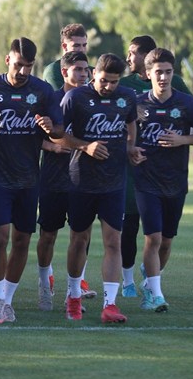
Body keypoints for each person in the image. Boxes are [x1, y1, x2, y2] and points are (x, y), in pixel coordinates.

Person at [0, 38, 63, 324]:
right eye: (19, 65)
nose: (23, 71)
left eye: (28, 66)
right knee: (0, 238)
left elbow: (59, 130)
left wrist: (50, 127)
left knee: (22, 240)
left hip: (29, 178)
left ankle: (8, 300)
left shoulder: (42, 90)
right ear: (8, 60)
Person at [60, 53, 141, 323]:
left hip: (114, 182)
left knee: (113, 241)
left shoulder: (127, 97)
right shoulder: (75, 98)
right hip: (81, 181)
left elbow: (131, 122)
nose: (108, 86)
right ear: (94, 73)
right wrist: (86, 146)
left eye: (114, 82)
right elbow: (58, 134)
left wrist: (130, 147)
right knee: (79, 240)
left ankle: (110, 305)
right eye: (104, 80)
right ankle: (73, 296)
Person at [130, 48, 193, 312]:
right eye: (158, 72)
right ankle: (155, 296)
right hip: (146, 180)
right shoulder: (137, 103)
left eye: (168, 72)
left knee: (166, 242)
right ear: (148, 74)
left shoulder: (186, 103)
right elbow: (123, 133)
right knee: (152, 238)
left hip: (175, 181)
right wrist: (130, 150)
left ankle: (150, 278)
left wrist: (182, 139)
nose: (163, 77)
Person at [119, 35, 192, 297]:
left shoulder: (176, 83)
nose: (128, 58)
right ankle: (127, 280)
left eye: (132, 53)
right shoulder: (124, 84)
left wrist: (179, 139)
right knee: (129, 224)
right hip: (131, 168)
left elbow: (189, 113)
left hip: (166, 170)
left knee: (162, 235)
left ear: (147, 55)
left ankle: (150, 276)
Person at [36, 51, 90, 312]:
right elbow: (32, 136)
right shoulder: (50, 100)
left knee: (81, 237)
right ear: (64, 72)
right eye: (78, 69)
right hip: (53, 178)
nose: (83, 74)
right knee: (48, 235)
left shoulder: (92, 101)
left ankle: (73, 292)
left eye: (86, 70)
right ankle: (44, 283)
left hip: (84, 180)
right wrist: (52, 146)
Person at [42, 23, 89, 90]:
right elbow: (63, 95)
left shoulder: (90, 70)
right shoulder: (54, 70)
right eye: (76, 45)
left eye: (84, 45)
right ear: (64, 46)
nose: (82, 50)